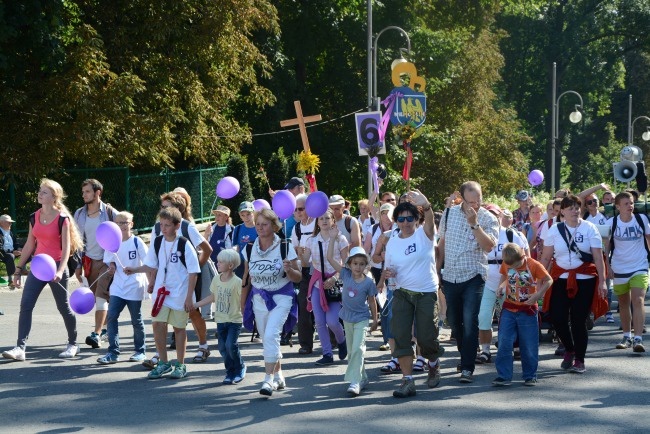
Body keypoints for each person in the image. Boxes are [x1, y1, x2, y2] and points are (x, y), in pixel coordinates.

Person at [2, 179, 83, 361]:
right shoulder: (34, 216)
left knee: (64, 307)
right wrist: (18, 269)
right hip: (38, 267)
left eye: (44, 192)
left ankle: (73, 344)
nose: (40, 194)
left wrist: (60, 271)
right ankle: (20, 348)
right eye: (40, 191)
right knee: (26, 305)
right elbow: (30, 244)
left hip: (56, 266)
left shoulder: (63, 219)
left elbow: (66, 249)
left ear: (54, 197)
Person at [125, 207, 200, 379]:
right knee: (158, 325)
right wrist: (134, 269)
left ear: (177, 225)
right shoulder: (158, 242)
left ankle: (180, 365)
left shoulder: (184, 244)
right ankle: (164, 363)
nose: (164, 228)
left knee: (179, 328)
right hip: (161, 293)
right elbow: (151, 265)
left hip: (180, 293)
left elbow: (193, 272)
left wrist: (189, 297)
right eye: (162, 224)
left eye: (167, 225)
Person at [383, 191, 445, 398]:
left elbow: (429, 220)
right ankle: (408, 381)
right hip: (402, 293)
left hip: (426, 292)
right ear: (396, 221)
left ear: (416, 219)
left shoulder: (425, 234)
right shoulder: (392, 241)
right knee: (400, 335)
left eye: (410, 218)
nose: (406, 222)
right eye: (401, 219)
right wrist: (387, 274)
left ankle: (433, 364)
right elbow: (389, 268)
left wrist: (425, 205)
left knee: (427, 337)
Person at [437, 181, 498, 383]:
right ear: (462, 199)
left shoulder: (488, 218)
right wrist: (437, 270)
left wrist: (474, 224)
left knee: (470, 321)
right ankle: (466, 357)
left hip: (474, 275)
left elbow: (489, 246)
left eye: (478, 200)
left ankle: (467, 367)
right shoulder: (449, 213)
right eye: (471, 201)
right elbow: (442, 243)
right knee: (455, 322)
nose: (475, 205)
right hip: (451, 276)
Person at [144, 191, 213, 367]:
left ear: (177, 210)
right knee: (161, 318)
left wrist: (194, 267)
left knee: (192, 312)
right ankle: (162, 357)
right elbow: (156, 258)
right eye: (162, 207)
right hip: (165, 281)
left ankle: (203, 344)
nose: (163, 210)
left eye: (167, 207)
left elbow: (207, 249)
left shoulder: (186, 227)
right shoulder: (158, 228)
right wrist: (152, 280)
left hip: (188, 277)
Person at [540, 195, 607, 374]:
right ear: (562, 211)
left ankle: (580, 359)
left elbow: (598, 258)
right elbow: (546, 257)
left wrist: (603, 281)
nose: (575, 210)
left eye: (577, 207)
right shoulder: (555, 229)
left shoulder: (590, 228)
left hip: (585, 279)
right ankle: (569, 349)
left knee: (578, 320)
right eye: (570, 208)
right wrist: (539, 278)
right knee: (557, 317)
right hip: (561, 277)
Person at [241, 209, 301, 397]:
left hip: (282, 297)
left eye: (264, 224)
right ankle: (279, 375)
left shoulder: (285, 246)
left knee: (270, 335)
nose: (260, 227)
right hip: (259, 299)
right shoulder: (249, 248)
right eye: (258, 224)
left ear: (274, 226)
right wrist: (242, 304)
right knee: (268, 339)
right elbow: (246, 277)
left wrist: (289, 269)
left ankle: (267, 379)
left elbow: (297, 277)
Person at [493, 243, 552, 386]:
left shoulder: (533, 264)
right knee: (504, 342)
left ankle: (530, 375)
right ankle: (504, 376)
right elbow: (504, 276)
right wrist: (500, 287)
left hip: (527, 309)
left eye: (517, 265)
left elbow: (549, 280)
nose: (514, 268)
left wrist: (538, 294)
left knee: (529, 344)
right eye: (511, 266)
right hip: (509, 308)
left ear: (523, 256)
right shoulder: (507, 263)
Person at [476, 204, 529, 365]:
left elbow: (525, 258)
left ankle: (514, 346)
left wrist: (515, 279)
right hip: (486, 282)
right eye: (488, 214)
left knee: (511, 317)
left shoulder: (512, 234)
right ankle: (485, 350)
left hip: (510, 282)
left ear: (500, 217)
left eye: (495, 215)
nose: (492, 217)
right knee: (483, 317)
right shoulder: (478, 235)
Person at [326, 243, 378, 397]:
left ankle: (355, 381)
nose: (358, 267)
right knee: (352, 351)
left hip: (362, 318)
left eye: (362, 264)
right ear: (349, 264)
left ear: (365, 266)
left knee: (358, 348)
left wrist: (375, 319)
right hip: (347, 318)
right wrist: (333, 238)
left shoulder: (368, 282)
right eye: (355, 263)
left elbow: (372, 301)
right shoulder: (345, 274)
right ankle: (363, 378)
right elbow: (329, 258)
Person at [96, 212, 149, 364]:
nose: (122, 226)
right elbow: (109, 261)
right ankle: (113, 352)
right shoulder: (112, 241)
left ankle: (140, 351)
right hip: (118, 287)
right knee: (112, 316)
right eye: (119, 223)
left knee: (136, 320)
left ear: (131, 224)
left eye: (125, 223)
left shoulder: (137, 242)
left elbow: (149, 264)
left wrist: (135, 270)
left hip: (134, 286)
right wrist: (112, 267)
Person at [73, 179, 118, 349]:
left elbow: (122, 231)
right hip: (89, 262)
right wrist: (78, 265)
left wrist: (116, 259)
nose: (84, 195)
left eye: (87, 192)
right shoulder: (79, 214)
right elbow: (77, 242)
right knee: (99, 297)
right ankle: (106, 329)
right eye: (83, 192)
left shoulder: (109, 212)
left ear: (98, 193)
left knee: (100, 296)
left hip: (107, 261)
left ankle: (97, 334)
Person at [302, 209, 349, 365]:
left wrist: (335, 278)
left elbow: (346, 264)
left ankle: (342, 341)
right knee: (320, 322)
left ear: (333, 221)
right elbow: (304, 262)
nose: (324, 221)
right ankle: (327, 353)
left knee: (333, 321)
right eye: (321, 218)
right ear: (317, 222)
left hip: (335, 282)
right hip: (317, 283)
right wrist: (300, 254)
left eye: (327, 218)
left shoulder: (341, 239)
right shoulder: (311, 240)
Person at [605, 192, 650, 353]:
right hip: (619, 267)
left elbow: (649, 238)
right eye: (626, 204)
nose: (630, 206)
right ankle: (626, 336)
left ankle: (638, 338)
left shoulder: (641, 219)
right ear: (617, 206)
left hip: (639, 265)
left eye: (631, 203)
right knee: (624, 303)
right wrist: (607, 266)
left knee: (638, 300)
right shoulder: (612, 222)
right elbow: (607, 246)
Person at [195, 249, 245, 383]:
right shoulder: (217, 278)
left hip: (234, 321)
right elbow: (212, 296)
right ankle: (230, 372)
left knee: (230, 345)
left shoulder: (237, 282)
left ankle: (239, 368)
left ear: (230, 265)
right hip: (221, 320)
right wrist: (196, 304)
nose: (217, 263)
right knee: (223, 348)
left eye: (221, 262)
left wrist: (247, 316)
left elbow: (242, 301)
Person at [366, 202, 395, 352]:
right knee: (384, 306)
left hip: (396, 272)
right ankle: (386, 339)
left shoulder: (398, 228)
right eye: (383, 213)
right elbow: (372, 256)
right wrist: (381, 256)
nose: (386, 216)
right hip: (379, 272)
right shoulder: (374, 228)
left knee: (394, 308)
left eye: (389, 213)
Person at [290, 194, 316, 355]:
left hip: (321, 269)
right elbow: (293, 249)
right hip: (305, 270)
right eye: (295, 210)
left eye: (301, 208)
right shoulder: (296, 228)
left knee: (328, 305)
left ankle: (335, 340)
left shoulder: (319, 223)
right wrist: (297, 253)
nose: (298, 212)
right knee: (303, 306)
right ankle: (306, 343)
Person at [231, 201, 258, 279]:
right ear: (240, 216)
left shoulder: (259, 227)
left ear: (254, 213)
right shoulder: (238, 228)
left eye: (248, 214)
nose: (246, 217)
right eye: (243, 215)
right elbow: (236, 246)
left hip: (256, 264)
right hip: (241, 265)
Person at [0, 214, 22, 289]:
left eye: (11, 222)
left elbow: (16, 243)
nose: (11, 224)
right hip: (2, 254)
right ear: (1, 223)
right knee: (10, 256)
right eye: (9, 222)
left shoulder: (10, 232)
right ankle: (11, 280)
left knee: (26, 253)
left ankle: (24, 270)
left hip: (11, 252)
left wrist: (18, 248)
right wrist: (12, 253)